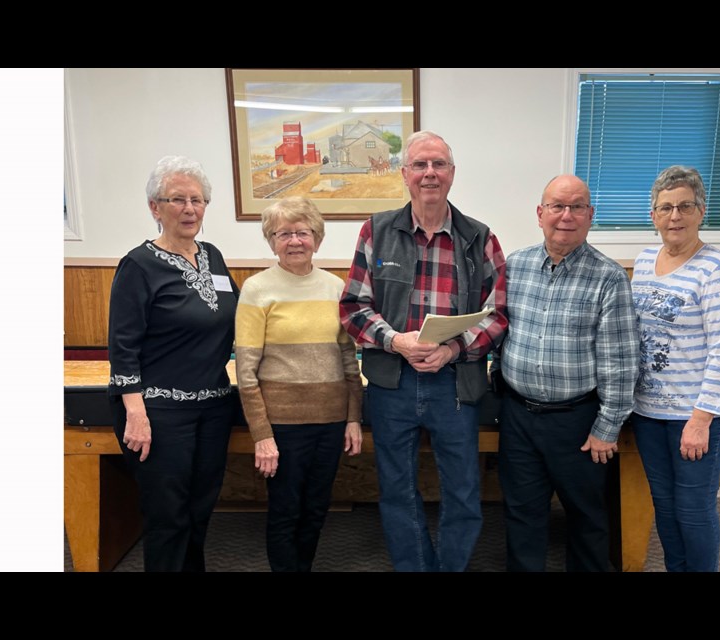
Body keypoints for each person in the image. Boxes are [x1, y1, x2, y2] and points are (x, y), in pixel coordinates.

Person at [339, 130, 508, 572]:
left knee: (464, 492)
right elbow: (352, 308)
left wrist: (453, 350)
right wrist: (396, 341)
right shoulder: (375, 231)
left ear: (452, 174)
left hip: (455, 385)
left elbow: (499, 313)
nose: (429, 173)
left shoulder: (480, 238)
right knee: (396, 490)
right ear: (405, 174)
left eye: (439, 164)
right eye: (420, 165)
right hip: (392, 383)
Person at [494, 174, 638, 572]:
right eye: (557, 206)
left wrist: (607, 426)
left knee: (587, 519)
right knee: (522, 515)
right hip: (518, 415)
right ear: (540, 214)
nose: (566, 216)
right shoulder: (514, 266)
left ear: (590, 215)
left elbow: (621, 360)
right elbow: (494, 330)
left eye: (577, 207)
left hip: (578, 422)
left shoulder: (608, 277)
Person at [107, 156, 238, 572]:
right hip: (159, 411)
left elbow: (235, 318)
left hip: (215, 405)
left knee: (200, 510)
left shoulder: (213, 256)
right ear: (154, 207)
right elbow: (122, 344)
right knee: (167, 516)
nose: (189, 209)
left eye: (197, 200)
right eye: (177, 199)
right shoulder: (139, 265)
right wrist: (135, 410)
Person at [235, 197, 363, 572]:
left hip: (330, 422)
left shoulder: (335, 288)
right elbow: (246, 372)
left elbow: (348, 359)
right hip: (283, 428)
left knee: (316, 510)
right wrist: (262, 434)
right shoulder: (257, 290)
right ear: (271, 241)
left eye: (302, 232)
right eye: (283, 233)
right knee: (285, 513)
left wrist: (352, 418)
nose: (294, 241)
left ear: (317, 239)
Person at [629, 165, 720, 572]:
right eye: (665, 208)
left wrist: (700, 420)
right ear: (653, 216)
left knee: (693, 511)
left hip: (696, 416)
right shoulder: (645, 261)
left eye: (684, 206)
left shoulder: (716, 269)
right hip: (649, 413)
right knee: (664, 507)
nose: (674, 216)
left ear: (701, 211)